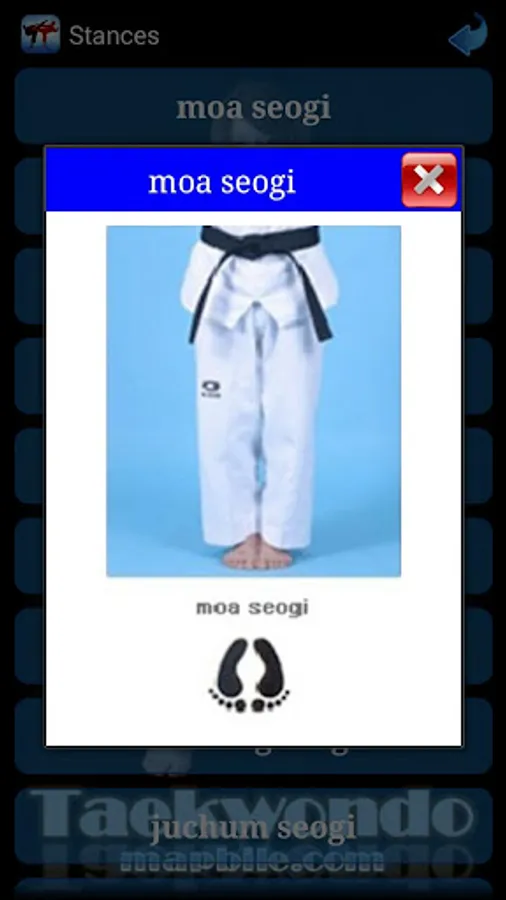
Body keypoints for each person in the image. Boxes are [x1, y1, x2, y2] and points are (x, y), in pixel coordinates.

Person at [181, 224, 338, 569]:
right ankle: (237, 529)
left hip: (297, 277)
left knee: (292, 420)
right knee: (221, 422)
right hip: (221, 279)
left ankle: (280, 532)